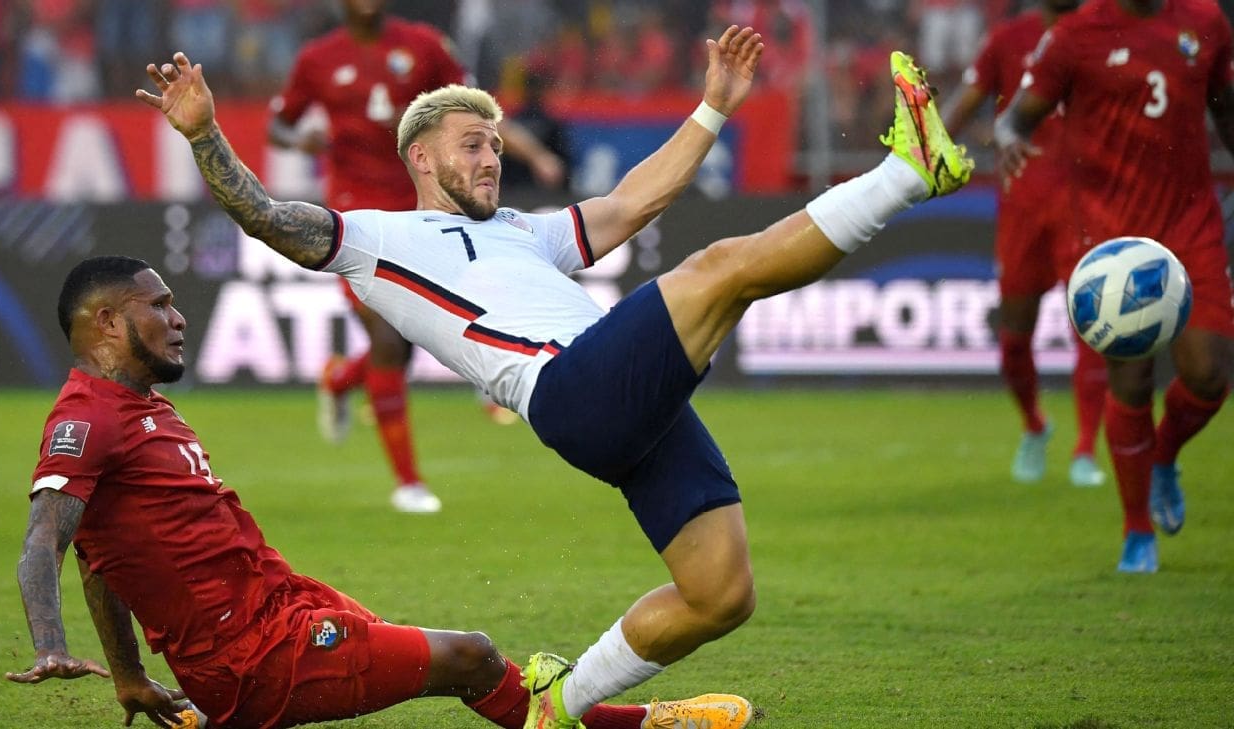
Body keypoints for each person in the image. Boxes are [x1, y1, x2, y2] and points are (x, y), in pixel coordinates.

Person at [137, 29, 973, 728]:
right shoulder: (377, 237)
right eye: (474, 144)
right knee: (722, 266)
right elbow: (266, 216)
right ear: (420, 155)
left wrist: (715, 103)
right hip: (572, 390)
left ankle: (558, 704)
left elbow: (635, 200)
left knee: (720, 593)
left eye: (498, 144)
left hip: (621, 403)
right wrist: (205, 133)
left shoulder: (518, 229)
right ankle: (907, 172)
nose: (493, 157)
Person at [5, 255, 755, 729]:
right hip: (252, 654)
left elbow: (99, 556)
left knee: (439, 657)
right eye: (157, 304)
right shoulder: (86, 419)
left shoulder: (141, 408)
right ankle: (637, 721)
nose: (178, 316)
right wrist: (51, 646)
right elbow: (47, 543)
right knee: (470, 655)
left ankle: (211, 715)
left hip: (283, 604)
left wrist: (134, 677)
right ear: (104, 320)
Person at [270, 0, 564, 514]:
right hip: (353, 219)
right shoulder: (317, 59)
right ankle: (408, 482)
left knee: (413, 336)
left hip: (423, 211)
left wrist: (531, 153)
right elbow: (280, 126)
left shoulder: (423, 46)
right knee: (388, 339)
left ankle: (341, 380)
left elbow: (474, 110)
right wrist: (302, 139)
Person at [996, 0, 1234, 573]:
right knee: (1130, 382)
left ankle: (1164, 457)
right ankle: (1136, 532)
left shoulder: (1205, 21)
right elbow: (1015, 117)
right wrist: (1007, 138)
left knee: (1210, 374)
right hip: (1112, 244)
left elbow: (1226, 112)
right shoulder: (1076, 35)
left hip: (1191, 226)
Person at [941, 0, 1108, 488]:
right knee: (1014, 338)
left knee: (1091, 330)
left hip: (1085, 205)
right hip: (1022, 208)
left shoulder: (1105, 34)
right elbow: (966, 101)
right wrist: (920, 152)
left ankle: (1084, 451)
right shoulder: (1008, 38)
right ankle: (1035, 425)